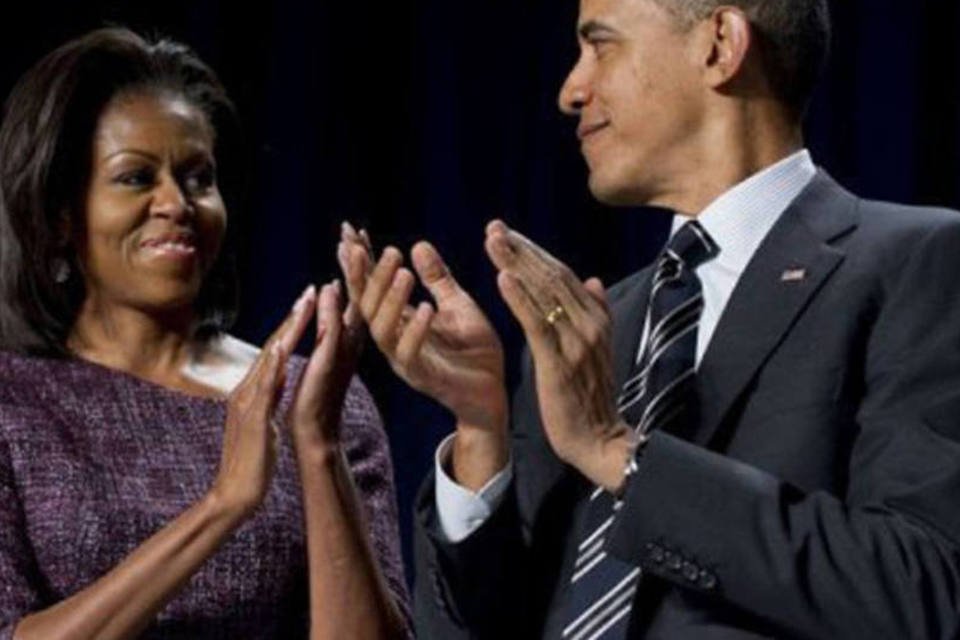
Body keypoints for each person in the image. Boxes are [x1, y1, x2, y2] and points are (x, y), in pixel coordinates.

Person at [339, 0, 960, 638]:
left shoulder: (918, 262)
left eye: (600, 45)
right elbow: (477, 627)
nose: (570, 91)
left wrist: (619, 453)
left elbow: (926, 589)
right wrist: (480, 428)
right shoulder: (591, 328)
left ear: (718, 45)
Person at [0, 28, 409, 639]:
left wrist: (316, 444)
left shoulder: (319, 398)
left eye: (198, 177)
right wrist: (222, 505)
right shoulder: (13, 406)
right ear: (62, 214)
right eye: (136, 178)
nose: (177, 203)